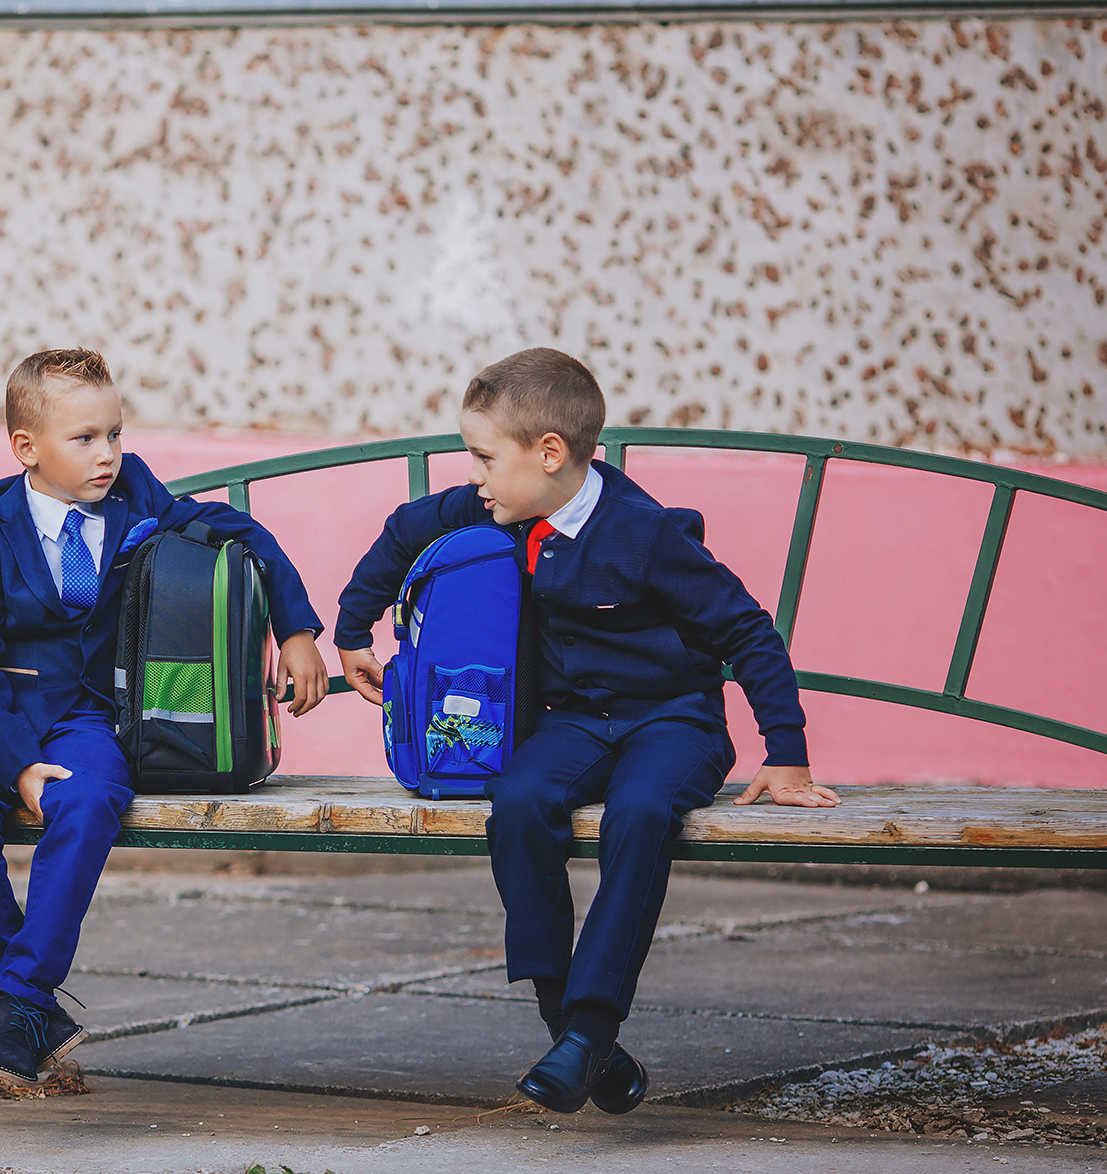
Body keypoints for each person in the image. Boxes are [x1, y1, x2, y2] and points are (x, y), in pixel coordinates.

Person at [334, 348, 839, 1115]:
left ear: (549, 453)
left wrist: (788, 754)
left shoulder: (644, 535)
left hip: (674, 721)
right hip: (575, 724)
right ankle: (568, 1029)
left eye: (483, 457)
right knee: (521, 800)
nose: (474, 477)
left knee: (641, 814)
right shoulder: (504, 504)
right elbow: (405, 530)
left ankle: (592, 1023)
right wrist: (351, 631)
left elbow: (747, 630)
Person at [0, 347, 330, 1089]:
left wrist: (298, 629)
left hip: (90, 717)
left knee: (89, 800)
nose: (108, 453)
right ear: (27, 447)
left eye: (114, 433)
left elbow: (234, 529)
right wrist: (15, 762)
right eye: (84, 439)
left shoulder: (134, 493)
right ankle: (26, 998)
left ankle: (18, 1001)